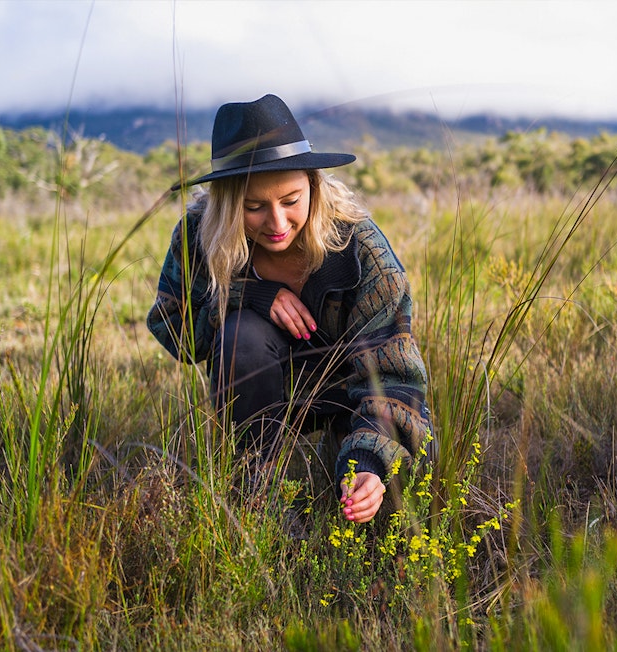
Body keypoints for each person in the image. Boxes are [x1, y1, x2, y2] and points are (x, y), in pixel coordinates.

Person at [147, 94, 430, 524]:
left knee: (385, 503)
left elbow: (393, 373)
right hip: (264, 390)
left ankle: (350, 456)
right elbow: (175, 329)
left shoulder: (361, 248)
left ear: (314, 185)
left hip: (351, 394)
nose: (277, 224)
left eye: (291, 200)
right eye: (254, 207)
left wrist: (370, 463)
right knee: (240, 337)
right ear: (226, 203)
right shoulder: (199, 234)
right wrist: (246, 295)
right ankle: (256, 495)